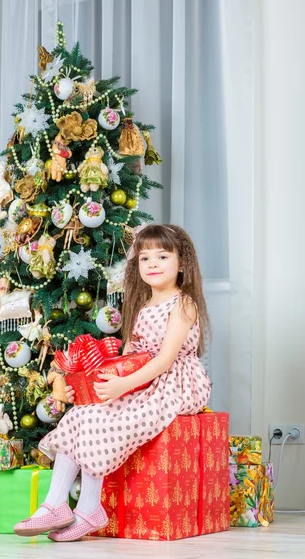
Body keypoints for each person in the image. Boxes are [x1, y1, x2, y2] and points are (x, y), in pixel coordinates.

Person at [14, 224, 211, 541]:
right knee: (84, 412)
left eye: (162, 256)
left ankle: (87, 508)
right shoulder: (143, 305)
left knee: (100, 419)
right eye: (145, 258)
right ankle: (59, 505)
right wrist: (111, 380)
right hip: (142, 378)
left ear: (182, 263)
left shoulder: (183, 303)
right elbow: (131, 353)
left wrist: (123, 386)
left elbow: (164, 359)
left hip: (174, 381)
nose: (153, 264)